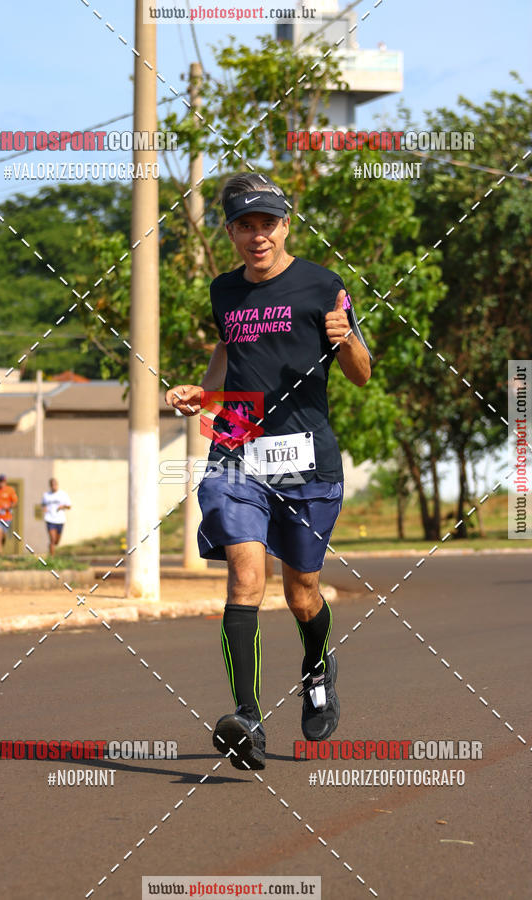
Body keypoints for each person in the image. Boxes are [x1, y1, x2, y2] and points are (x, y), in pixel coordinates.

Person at [165, 172, 372, 771]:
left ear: (286, 225)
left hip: (307, 456)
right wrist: (203, 394)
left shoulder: (322, 285)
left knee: (301, 590)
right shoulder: (223, 290)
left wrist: (346, 340)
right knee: (243, 575)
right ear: (229, 231)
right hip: (238, 447)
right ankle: (247, 720)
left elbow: (361, 372)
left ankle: (316, 666)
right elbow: (229, 350)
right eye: (244, 225)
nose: (258, 236)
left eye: (268, 223)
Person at [41, 478, 71, 556]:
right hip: (50, 519)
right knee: (53, 539)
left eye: (55, 485)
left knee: (56, 542)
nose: (54, 486)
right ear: (50, 486)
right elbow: (43, 504)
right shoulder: (46, 495)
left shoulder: (63, 494)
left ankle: (51, 547)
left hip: (60, 520)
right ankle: (52, 559)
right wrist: (44, 508)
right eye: (52, 485)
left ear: (57, 485)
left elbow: (69, 506)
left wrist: (63, 506)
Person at [0, 474, 18, 556]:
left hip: (7, 517)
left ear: (5, 482)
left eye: (3, 482)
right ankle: (0, 553)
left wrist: (7, 507)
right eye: (0, 481)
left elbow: (15, 502)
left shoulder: (10, 490)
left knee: (3, 535)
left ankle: (1, 548)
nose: (2, 483)